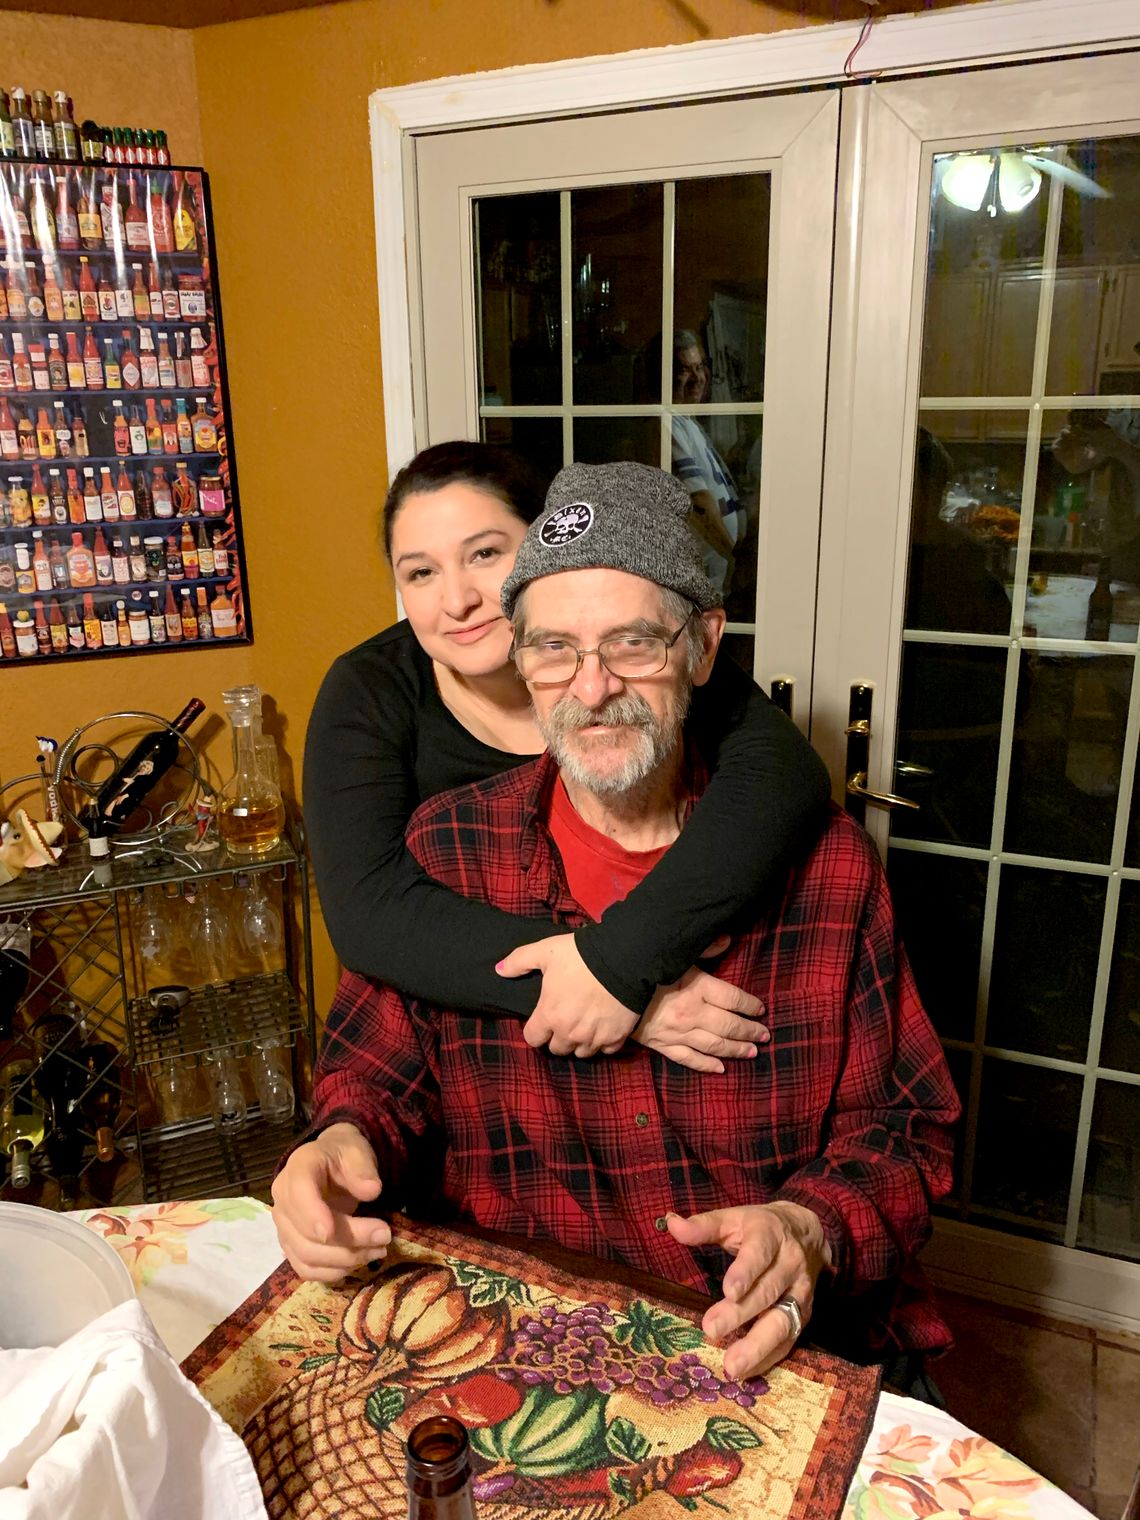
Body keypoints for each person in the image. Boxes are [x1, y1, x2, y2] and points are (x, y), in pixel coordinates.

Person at [276, 461, 960, 1387]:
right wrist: (336, 1145)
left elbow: (907, 1127)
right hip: (523, 1343)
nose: (591, 689)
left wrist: (811, 1229)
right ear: (519, 659)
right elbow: (373, 1077)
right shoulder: (447, 848)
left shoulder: (825, 868)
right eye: (553, 649)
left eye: (634, 644)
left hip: (767, 1348)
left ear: (704, 648)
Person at [303, 441, 830, 1069]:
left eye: (486, 554)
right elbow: (371, 914)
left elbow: (782, 770)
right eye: (420, 572)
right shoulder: (369, 691)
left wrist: (623, 960)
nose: (457, 600)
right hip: (487, 1038)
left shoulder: (645, 662)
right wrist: (605, 983)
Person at [668, 330, 745, 595]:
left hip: (716, 579)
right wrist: (736, 556)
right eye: (685, 370)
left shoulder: (688, 422)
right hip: (700, 584)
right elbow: (698, 504)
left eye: (700, 366)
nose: (697, 377)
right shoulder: (667, 424)